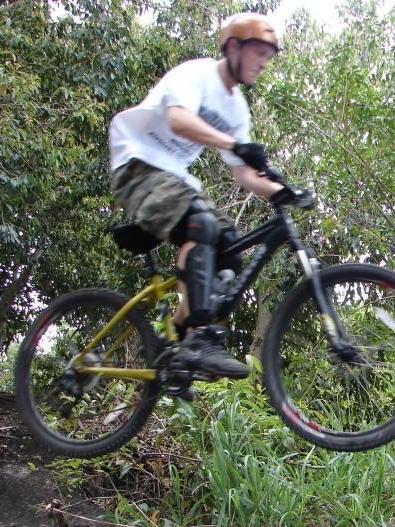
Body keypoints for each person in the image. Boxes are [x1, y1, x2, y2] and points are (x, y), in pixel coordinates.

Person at [109, 12, 302, 381]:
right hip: (138, 164)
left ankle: (179, 351)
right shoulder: (197, 74)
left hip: (174, 179)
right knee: (202, 224)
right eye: (259, 52)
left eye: (269, 55)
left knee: (230, 249)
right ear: (233, 47)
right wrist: (236, 145)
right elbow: (179, 120)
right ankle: (199, 336)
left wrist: (284, 192)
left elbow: (243, 173)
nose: (264, 61)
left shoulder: (236, 109)